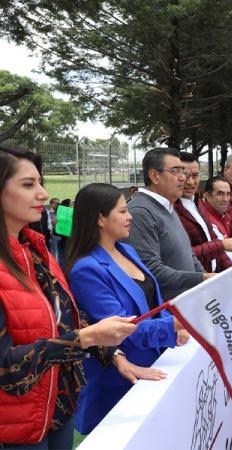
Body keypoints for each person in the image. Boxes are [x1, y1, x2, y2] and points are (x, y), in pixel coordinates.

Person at [0, 145, 137, 448]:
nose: (42, 194)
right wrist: (85, 338)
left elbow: (68, 318)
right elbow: (6, 368)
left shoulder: (38, 253)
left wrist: (113, 354)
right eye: (27, 185)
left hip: (59, 412)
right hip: (15, 430)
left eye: (40, 182)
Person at [66, 183, 188, 435]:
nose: (130, 216)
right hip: (123, 379)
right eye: (122, 211)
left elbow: (152, 302)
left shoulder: (127, 250)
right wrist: (179, 322)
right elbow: (122, 329)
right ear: (100, 218)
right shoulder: (87, 269)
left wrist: (173, 324)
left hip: (158, 361)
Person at [124, 147, 210, 300]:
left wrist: (205, 282)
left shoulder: (168, 206)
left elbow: (188, 255)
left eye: (182, 171)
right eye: (175, 171)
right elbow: (150, 270)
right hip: (168, 314)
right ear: (155, 176)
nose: (183, 177)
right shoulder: (140, 212)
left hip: (190, 302)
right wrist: (201, 279)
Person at [174, 152, 232, 273]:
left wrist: (231, 272)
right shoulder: (171, 210)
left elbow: (213, 241)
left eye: (195, 175)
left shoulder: (198, 203)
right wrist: (220, 245)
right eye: (185, 175)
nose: (190, 182)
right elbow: (181, 256)